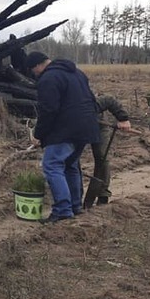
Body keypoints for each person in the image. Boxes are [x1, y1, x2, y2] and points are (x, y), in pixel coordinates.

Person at [27, 51, 99, 223]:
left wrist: (38, 135)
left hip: (65, 131)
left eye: (32, 70)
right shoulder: (77, 73)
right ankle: (75, 207)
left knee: (51, 165)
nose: (34, 74)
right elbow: (91, 100)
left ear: (38, 65)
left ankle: (63, 210)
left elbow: (48, 110)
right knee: (70, 166)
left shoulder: (48, 78)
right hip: (86, 128)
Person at [83, 94, 132, 208]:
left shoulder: (92, 103)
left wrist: (123, 119)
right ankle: (75, 198)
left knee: (102, 157)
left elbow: (110, 100)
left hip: (99, 127)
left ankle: (102, 194)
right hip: (78, 128)